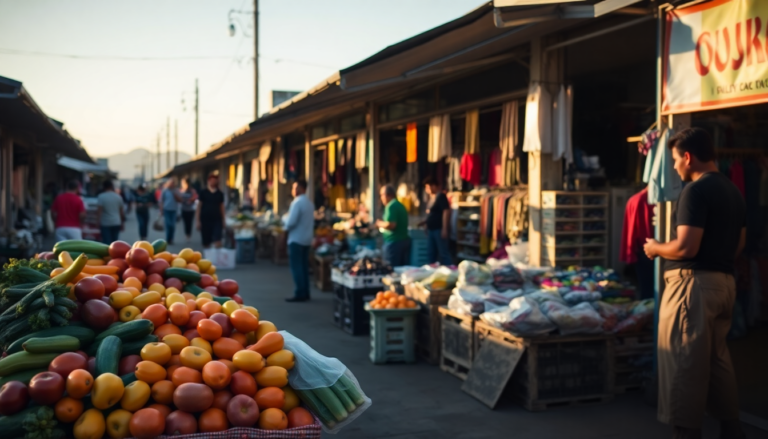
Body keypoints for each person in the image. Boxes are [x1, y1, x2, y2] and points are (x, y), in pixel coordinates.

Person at [643, 128, 746, 439]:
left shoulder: (695, 191)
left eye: (676, 160)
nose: (674, 167)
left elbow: (686, 247)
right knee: (716, 363)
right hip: (724, 285)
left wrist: (656, 247)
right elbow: (739, 244)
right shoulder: (733, 191)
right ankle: (733, 431)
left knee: (684, 366)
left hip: (693, 287)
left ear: (688, 157)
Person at [284, 180, 315, 302]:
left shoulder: (297, 203)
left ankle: (300, 293)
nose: (293, 190)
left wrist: (284, 223)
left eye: (295, 187)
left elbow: (291, 222)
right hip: (306, 239)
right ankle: (305, 291)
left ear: (302, 188)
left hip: (296, 239)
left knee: (297, 267)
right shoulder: (309, 203)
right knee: (303, 267)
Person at [419, 176, 452, 266]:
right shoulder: (431, 198)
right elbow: (431, 214)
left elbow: (446, 212)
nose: (427, 189)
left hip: (439, 229)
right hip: (431, 230)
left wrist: (444, 229)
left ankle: (450, 270)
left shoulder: (441, 196)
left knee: (443, 253)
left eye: (428, 187)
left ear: (434, 186)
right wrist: (425, 222)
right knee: (431, 254)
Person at [376, 185, 411, 267]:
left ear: (389, 195)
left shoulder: (391, 206)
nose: (381, 198)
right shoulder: (399, 205)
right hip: (403, 240)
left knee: (391, 269)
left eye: (382, 195)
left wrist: (379, 224)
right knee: (401, 269)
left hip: (394, 242)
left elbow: (391, 225)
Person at [196, 173, 225, 248]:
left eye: (214, 180)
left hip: (216, 219)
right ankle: (208, 256)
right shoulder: (203, 192)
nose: (213, 182)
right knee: (206, 242)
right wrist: (198, 221)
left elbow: (221, 207)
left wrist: (223, 220)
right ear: (208, 181)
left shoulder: (220, 193)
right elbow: (199, 207)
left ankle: (217, 257)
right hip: (205, 220)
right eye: (211, 180)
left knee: (217, 239)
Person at [97, 180, 125, 244]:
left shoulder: (101, 196)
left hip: (105, 223)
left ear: (103, 187)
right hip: (116, 222)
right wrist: (122, 223)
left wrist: (97, 222)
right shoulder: (118, 197)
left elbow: (99, 211)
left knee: (106, 243)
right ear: (112, 186)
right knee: (115, 243)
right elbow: (121, 212)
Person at [160, 179, 183, 245]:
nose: (171, 184)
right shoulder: (165, 191)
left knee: (172, 225)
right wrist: (161, 210)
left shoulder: (176, 190)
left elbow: (181, 200)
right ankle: (167, 239)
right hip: (166, 210)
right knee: (168, 224)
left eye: (173, 183)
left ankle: (171, 239)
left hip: (174, 210)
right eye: (170, 183)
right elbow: (161, 201)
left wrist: (175, 195)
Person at [179, 178, 198, 242]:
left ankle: (189, 235)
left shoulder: (192, 190)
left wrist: (189, 200)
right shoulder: (181, 190)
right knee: (185, 223)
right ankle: (186, 234)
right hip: (184, 209)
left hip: (190, 209)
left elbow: (195, 197)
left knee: (189, 223)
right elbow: (179, 198)